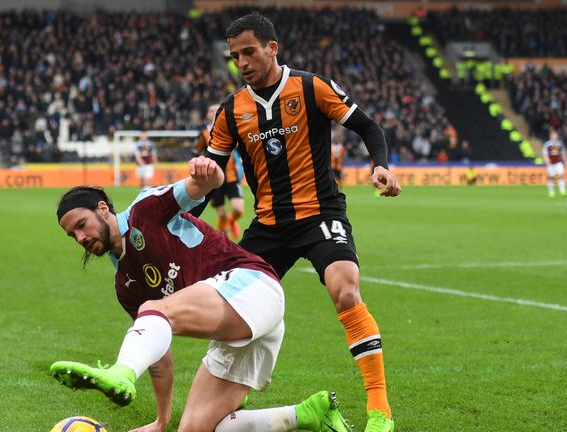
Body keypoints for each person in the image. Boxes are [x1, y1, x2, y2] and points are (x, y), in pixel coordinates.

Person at [198, 12, 401, 432]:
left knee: (345, 291)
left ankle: (380, 411)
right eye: (235, 56)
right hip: (267, 226)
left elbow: (368, 126)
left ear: (273, 48)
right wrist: (178, 218)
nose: (243, 62)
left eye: (249, 52)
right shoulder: (231, 110)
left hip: (321, 214)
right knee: (229, 313)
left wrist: (381, 165)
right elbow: (208, 178)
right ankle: (222, 408)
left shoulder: (311, 87)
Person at [51, 156, 353, 432]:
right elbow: (160, 358)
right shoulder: (124, 285)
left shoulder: (145, 210)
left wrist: (209, 173)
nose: (80, 238)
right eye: (72, 235)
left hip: (255, 286)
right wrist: (161, 421)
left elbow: (205, 185)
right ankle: (308, 414)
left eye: (81, 225)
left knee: (153, 309)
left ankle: (121, 372)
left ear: (102, 208)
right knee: (195, 429)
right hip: (236, 328)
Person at [197, 103, 245, 239]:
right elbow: (196, 151)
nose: (214, 112)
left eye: (216, 110)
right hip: (214, 178)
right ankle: (226, 239)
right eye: (211, 110)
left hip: (231, 176)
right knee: (221, 213)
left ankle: (232, 220)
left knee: (238, 209)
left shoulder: (230, 128)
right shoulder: (203, 134)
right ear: (207, 114)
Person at [542, 130, 567, 197]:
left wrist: (566, 162)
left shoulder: (560, 144)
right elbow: (545, 154)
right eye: (553, 136)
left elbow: (563, 153)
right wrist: (547, 160)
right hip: (550, 164)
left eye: (555, 136)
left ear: (557, 136)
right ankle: (551, 192)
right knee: (551, 177)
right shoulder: (547, 144)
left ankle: (563, 191)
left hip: (558, 163)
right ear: (551, 137)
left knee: (561, 175)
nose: (554, 137)